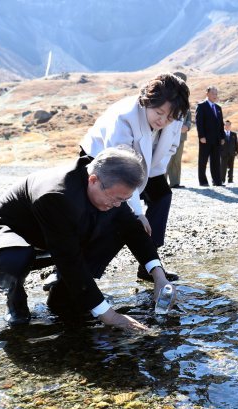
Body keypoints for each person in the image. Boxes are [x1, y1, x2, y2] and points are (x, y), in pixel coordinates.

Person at [0, 147, 173, 330]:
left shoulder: (108, 186)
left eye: (124, 199)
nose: (118, 204)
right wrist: (110, 316)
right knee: (14, 258)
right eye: (116, 198)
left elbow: (132, 229)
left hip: (58, 234)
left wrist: (159, 277)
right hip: (11, 232)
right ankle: (15, 298)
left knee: (119, 225)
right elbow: (69, 259)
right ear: (93, 180)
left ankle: (63, 293)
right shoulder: (56, 195)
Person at [81, 73, 190, 282]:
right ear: (146, 101)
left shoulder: (173, 117)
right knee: (116, 212)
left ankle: (149, 262)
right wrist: (138, 213)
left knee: (162, 195)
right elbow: (122, 172)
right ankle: (77, 270)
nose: (163, 120)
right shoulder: (124, 118)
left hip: (145, 165)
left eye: (169, 117)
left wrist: (152, 178)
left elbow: (168, 150)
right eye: (159, 113)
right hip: (104, 159)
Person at [195, 86, 226, 186]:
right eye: (213, 93)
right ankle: (203, 181)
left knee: (216, 161)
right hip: (205, 139)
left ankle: (217, 181)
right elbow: (199, 123)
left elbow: (221, 124)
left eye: (216, 93)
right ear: (207, 94)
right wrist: (201, 136)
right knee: (203, 160)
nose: (215, 95)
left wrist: (222, 137)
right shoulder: (201, 106)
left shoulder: (218, 108)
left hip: (217, 139)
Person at [166, 72, 192, 189]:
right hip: (167, 134)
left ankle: (175, 182)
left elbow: (189, 117)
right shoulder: (167, 97)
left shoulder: (185, 98)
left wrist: (187, 126)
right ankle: (161, 183)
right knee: (165, 159)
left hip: (181, 135)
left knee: (176, 159)